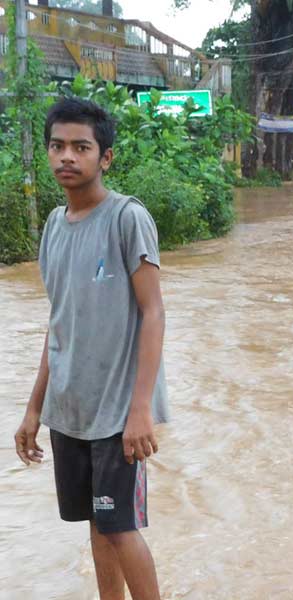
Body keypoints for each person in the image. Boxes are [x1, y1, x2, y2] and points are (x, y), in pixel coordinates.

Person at [15, 98, 168, 600]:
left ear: (106, 157)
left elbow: (153, 312)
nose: (67, 157)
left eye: (81, 147)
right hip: (71, 410)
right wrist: (34, 409)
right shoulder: (54, 228)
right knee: (97, 525)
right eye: (57, 146)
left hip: (117, 412)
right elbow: (58, 326)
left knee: (120, 525)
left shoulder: (127, 218)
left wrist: (141, 410)